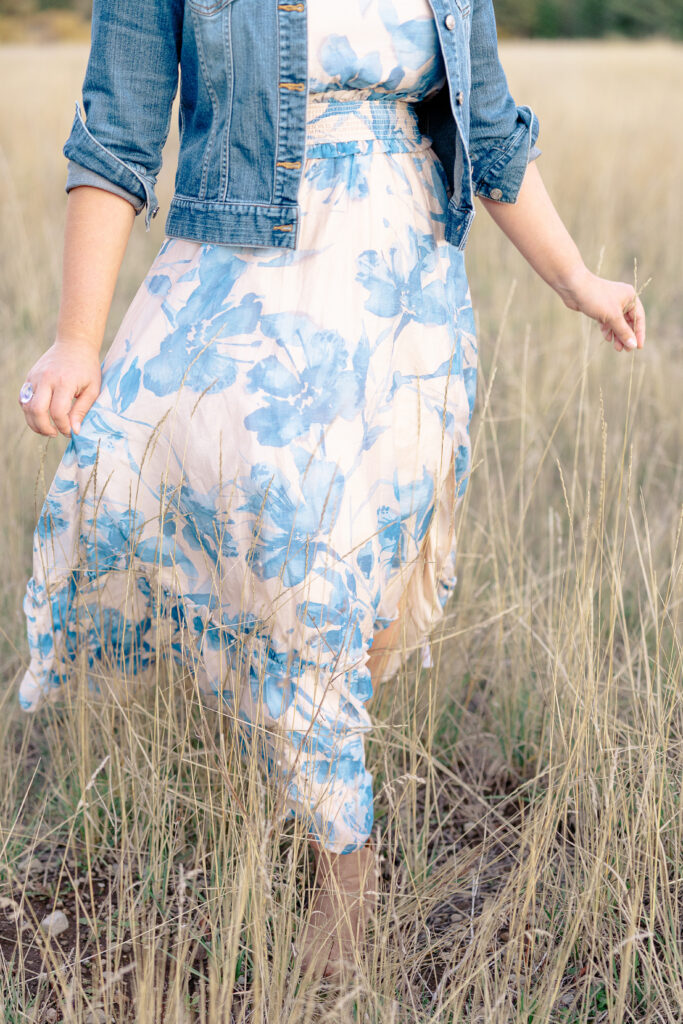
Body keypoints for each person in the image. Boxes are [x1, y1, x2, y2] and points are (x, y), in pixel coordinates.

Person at [16, 0, 645, 982]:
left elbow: (486, 131)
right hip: (245, 280)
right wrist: (77, 338)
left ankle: (310, 790)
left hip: (405, 299)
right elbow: (118, 133)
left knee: (354, 600)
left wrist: (576, 279)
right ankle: (343, 861)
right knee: (294, 571)